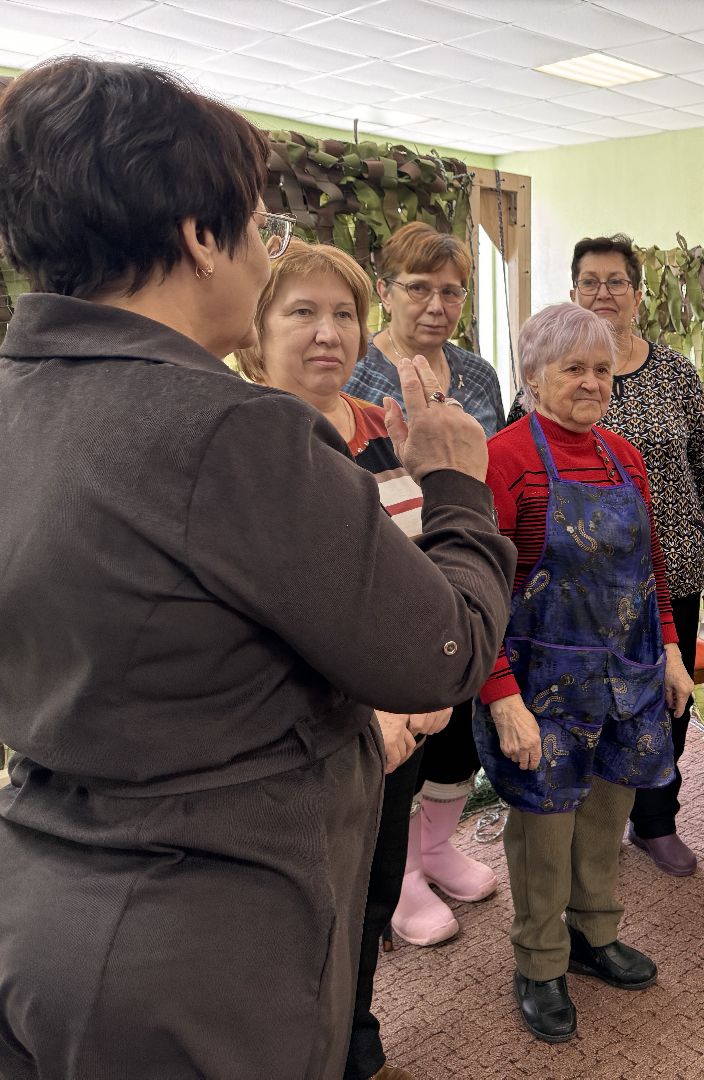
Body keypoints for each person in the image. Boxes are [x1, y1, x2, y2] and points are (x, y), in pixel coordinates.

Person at [0, 58, 515, 1080]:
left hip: (42, 895)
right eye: (258, 228)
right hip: (200, 950)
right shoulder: (230, 433)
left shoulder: (24, 395)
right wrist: (459, 489)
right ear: (201, 233)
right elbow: (439, 650)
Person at [236, 239, 462, 1080]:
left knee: (373, 887)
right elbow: (277, 609)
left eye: (344, 315)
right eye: (302, 312)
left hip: (399, 717)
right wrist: (375, 704)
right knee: (304, 907)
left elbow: (411, 565)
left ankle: (357, 1041)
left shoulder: (378, 428)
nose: (328, 333)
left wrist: (423, 682)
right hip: (317, 729)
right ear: (255, 331)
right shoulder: (247, 437)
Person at [476, 302, 693, 1044]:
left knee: (607, 811)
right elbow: (475, 594)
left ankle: (594, 935)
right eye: (574, 368)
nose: (593, 383)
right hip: (541, 680)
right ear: (533, 375)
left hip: (627, 674)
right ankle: (538, 962)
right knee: (545, 825)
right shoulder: (502, 457)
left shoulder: (622, 456)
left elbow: (652, 568)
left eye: (602, 370)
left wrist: (668, 650)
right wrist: (501, 694)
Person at [344, 220, 507, 945]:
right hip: (385, 578)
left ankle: (436, 850)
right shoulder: (351, 372)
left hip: (464, 562)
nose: (438, 305)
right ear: (386, 291)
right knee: (402, 734)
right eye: (420, 288)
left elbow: (486, 470)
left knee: (460, 726)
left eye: (453, 291)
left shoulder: (477, 375)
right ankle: (399, 875)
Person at [566, 233, 704, 876]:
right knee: (588, 696)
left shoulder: (676, 374)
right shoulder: (557, 370)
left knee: (668, 694)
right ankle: (582, 818)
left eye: (615, 281)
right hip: (583, 577)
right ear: (573, 292)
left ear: (637, 293)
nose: (602, 293)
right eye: (589, 281)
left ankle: (655, 819)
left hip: (674, 567)